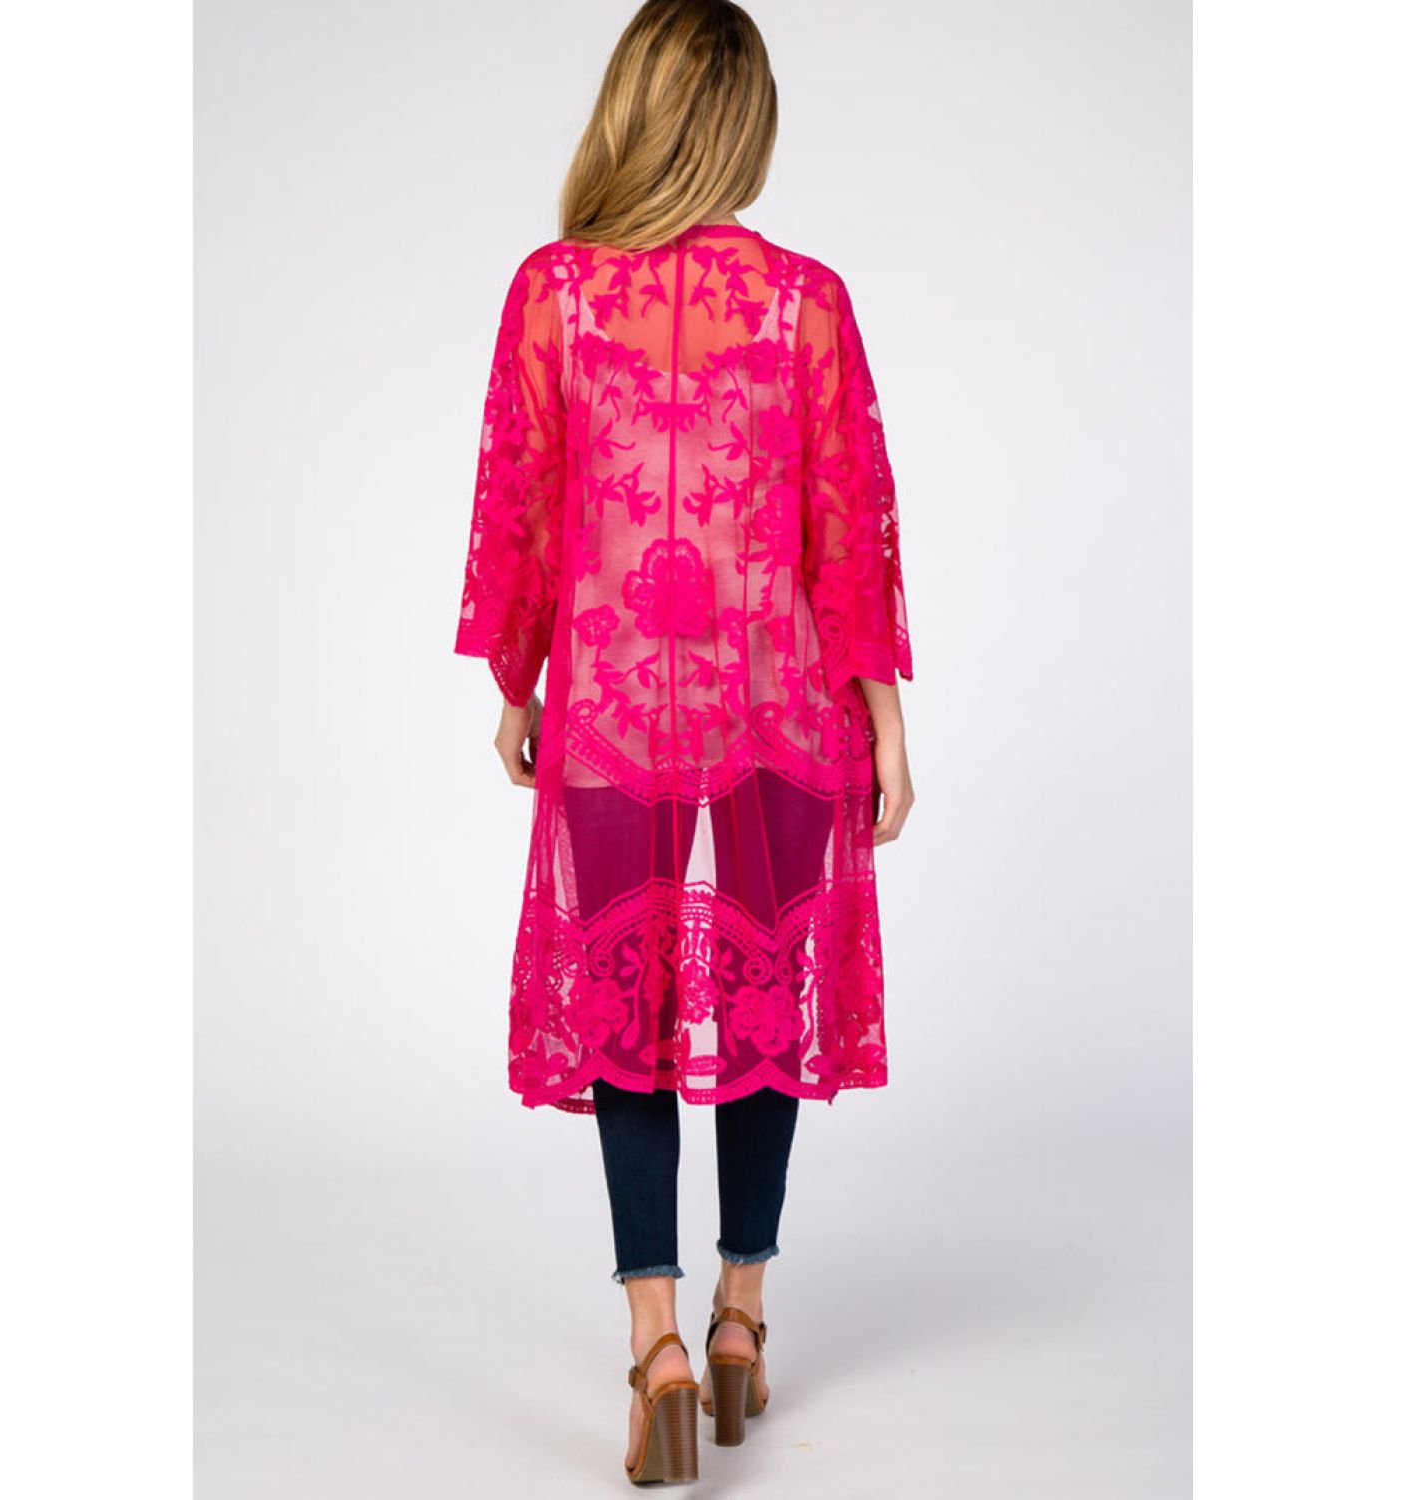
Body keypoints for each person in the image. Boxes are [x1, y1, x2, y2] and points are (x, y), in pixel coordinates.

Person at [454, 0, 914, 1482]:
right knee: (763, 995)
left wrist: (519, 682)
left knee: (627, 1004)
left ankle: (652, 1340)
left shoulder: (553, 293)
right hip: (779, 703)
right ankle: (739, 1318)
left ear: (634, 106)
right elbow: (849, 530)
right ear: (743, 122)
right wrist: (887, 721)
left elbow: (522, 500)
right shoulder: (806, 303)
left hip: (610, 705)